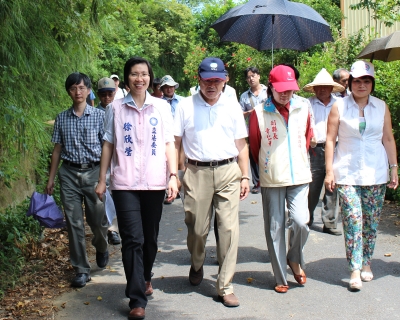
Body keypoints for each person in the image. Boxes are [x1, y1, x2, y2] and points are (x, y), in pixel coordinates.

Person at [95, 57, 178, 320]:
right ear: (127, 78)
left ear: (149, 77)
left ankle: (145, 276)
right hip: (124, 183)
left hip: (155, 182)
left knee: (150, 239)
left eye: (143, 74)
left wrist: (173, 175)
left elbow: (168, 144)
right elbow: (108, 143)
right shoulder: (116, 109)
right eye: (133, 74)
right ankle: (136, 299)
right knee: (132, 240)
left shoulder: (162, 107)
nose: (139, 79)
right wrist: (102, 179)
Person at [174, 57, 250, 307]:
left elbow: (241, 145)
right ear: (199, 79)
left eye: (217, 80)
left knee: (228, 229)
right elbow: (176, 143)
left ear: (225, 81)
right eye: (208, 80)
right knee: (197, 228)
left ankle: (225, 285)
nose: (212, 85)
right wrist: (175, 174)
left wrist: (245, 175)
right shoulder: (185, 106)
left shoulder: (232, 106)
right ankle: (197, 262)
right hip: (196, 172)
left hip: (228, 171)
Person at [324, 60, 398, 291]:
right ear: (350, 83)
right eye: (357, 81)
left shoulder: (381, 106)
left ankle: (367, 262)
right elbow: (329, 139)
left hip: (375, 174)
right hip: (347, 173)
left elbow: (387, 138)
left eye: (366, 81)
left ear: (372, 84)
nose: (362, 85)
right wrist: (329, 171)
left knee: (371, 222)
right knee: (353, 221)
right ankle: (355, 268)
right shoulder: (339, 107)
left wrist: (394, 167)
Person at [249, 65, 314, 294]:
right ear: (271, 87)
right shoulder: (259, 112)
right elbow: (255, 145)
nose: (285, 94)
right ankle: (280, 276)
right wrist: (268, 165)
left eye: (290, 89)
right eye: (280, 90)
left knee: (301, 221)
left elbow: (307, 138)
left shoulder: (304, 106)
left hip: (299, 175)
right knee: (275, 227)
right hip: (273, 177)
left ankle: (294, 258)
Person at [45, 72, 109, 288]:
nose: (78, 92)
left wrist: (104, 177)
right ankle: (81, 269)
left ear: (89, 90)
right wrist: (51, 178)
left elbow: (106, 149)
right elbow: (57, 150)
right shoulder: (62, 118)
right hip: (69, 174)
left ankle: (102, 245)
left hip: (93, 173)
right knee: (74, 224)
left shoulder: (100, 117)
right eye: (73, 88)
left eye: (82, 88)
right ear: (69, 92)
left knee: (97, 220)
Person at [303, 68, 345, 235]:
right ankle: (306, 217)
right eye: (319, 87)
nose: (322, 89)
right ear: (314, 89)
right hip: (315, 148)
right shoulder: (308, 103)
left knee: (333, 186)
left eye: (325, 86)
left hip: (337, 147)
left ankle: (330, 222)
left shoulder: (340, 103)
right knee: (312, 186)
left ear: (331, 88)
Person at [96, 77, 121, 245]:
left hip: (118, 161)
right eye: (103, 94)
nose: (107, 97)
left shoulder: (120, 110)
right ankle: (106, 231)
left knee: (116, 196)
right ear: (98, 95)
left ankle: (113, 229)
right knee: (103, 198)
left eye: (110, 93)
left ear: (115, 93)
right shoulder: (93, 114)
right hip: (98, 162)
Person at [239, 66, 268, 194]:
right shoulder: (244, 96)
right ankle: (257, 182)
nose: (251, 79)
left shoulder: (268, 91)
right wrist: (251, 112)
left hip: (267, 127)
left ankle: (268, 180)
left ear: (259, 76)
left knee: (268, 153)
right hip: (252, 129)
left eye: (253, 76)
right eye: (248, 77)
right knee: (253, 155)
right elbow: (239, 114)